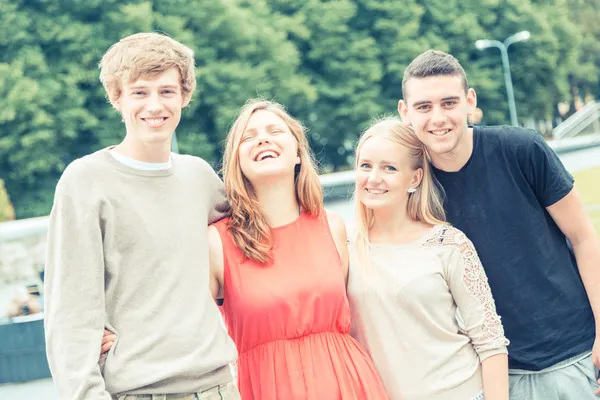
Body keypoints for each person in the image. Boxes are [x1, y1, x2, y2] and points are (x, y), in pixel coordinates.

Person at [44, 33, 239, 400]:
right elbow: (69, 311)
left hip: (217, 387)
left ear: (184, 96)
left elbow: (255, 239)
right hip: (137, 391)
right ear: (117, 97)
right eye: (139, 92)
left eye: (166, 91)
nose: (155, 105)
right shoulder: (85, 182)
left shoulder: (199, 178)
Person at [398, 49, 600, 399]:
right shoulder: (411, 188)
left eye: (449, 103)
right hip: (492, 375)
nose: (438, 117)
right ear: (405, 113)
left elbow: (583, 237)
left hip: (574, 356)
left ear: (469, 101)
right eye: (423, 107)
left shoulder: (521, 149)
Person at [208, 99, 389, 399]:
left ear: (298, 154)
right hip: (269, 388)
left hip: (350, 385)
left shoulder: (331, 227)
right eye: (249, 136)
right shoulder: (216, 242)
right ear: (236, 161)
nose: (263, 138)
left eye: (275, 130)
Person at [347, 117, 509, 400]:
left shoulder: (449, 244)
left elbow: (491, 342)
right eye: (366, 166)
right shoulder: (344, 246)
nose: (374, 178)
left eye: (389, 168)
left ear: (415, 178)